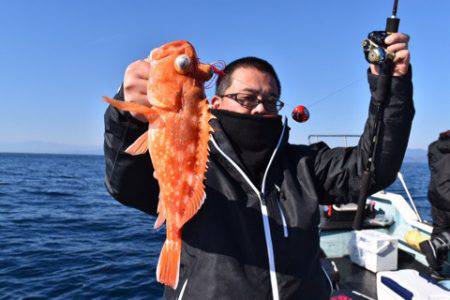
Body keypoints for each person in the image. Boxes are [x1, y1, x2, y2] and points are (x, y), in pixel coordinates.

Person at [103, 33, 413, 299]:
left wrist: (392, 86)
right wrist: (127, 115)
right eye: (247, 98)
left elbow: (372, 168)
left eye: (271, 100)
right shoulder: (198, 162)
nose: (260, 108)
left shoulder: (304, 164)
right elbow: (125, 184)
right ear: (217, 103)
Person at [420, 131, 450, 276]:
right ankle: (436, 244)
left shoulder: (433, 147)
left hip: (436, 194)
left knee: (439, 229)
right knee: (442, 236)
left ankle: (435, 270)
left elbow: (434, 167)